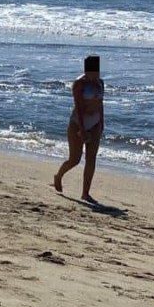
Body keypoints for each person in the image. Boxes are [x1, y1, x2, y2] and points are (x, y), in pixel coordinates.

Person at [53, 55, 104, 203]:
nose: (96, 76)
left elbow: (100, 104)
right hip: (78, 123)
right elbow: (79, 107)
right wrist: (82, 129)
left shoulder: (100, 83)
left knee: (91, 158)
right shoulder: (79, 84)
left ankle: (85, 193)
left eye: (98, 72)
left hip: (95, 123)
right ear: (87, 71)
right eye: (93, 73)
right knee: (75, 159)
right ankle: (59, 175)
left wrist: (102, 123)